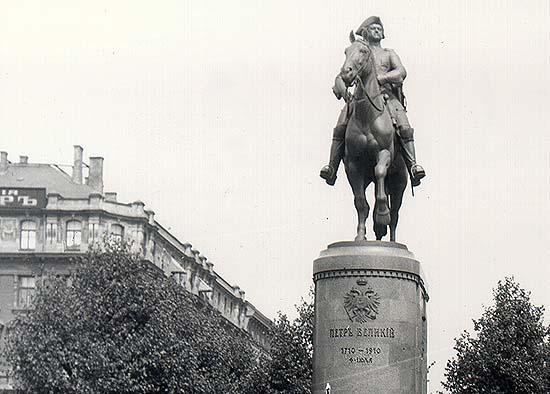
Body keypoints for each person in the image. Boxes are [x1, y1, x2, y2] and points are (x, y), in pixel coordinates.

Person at [320, 16, 426, 187]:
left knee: (403, 124)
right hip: (360, 98)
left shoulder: (388, 54)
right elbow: (343, 74)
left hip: (386, 96)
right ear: (365, 32)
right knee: (341, 124)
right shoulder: (358, 51)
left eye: (379, 28)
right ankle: (332, 166)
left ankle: (413, 165)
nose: (377, 30)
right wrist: (342, 89)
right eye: (373, 28)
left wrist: (382, 77)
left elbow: (401, 72)